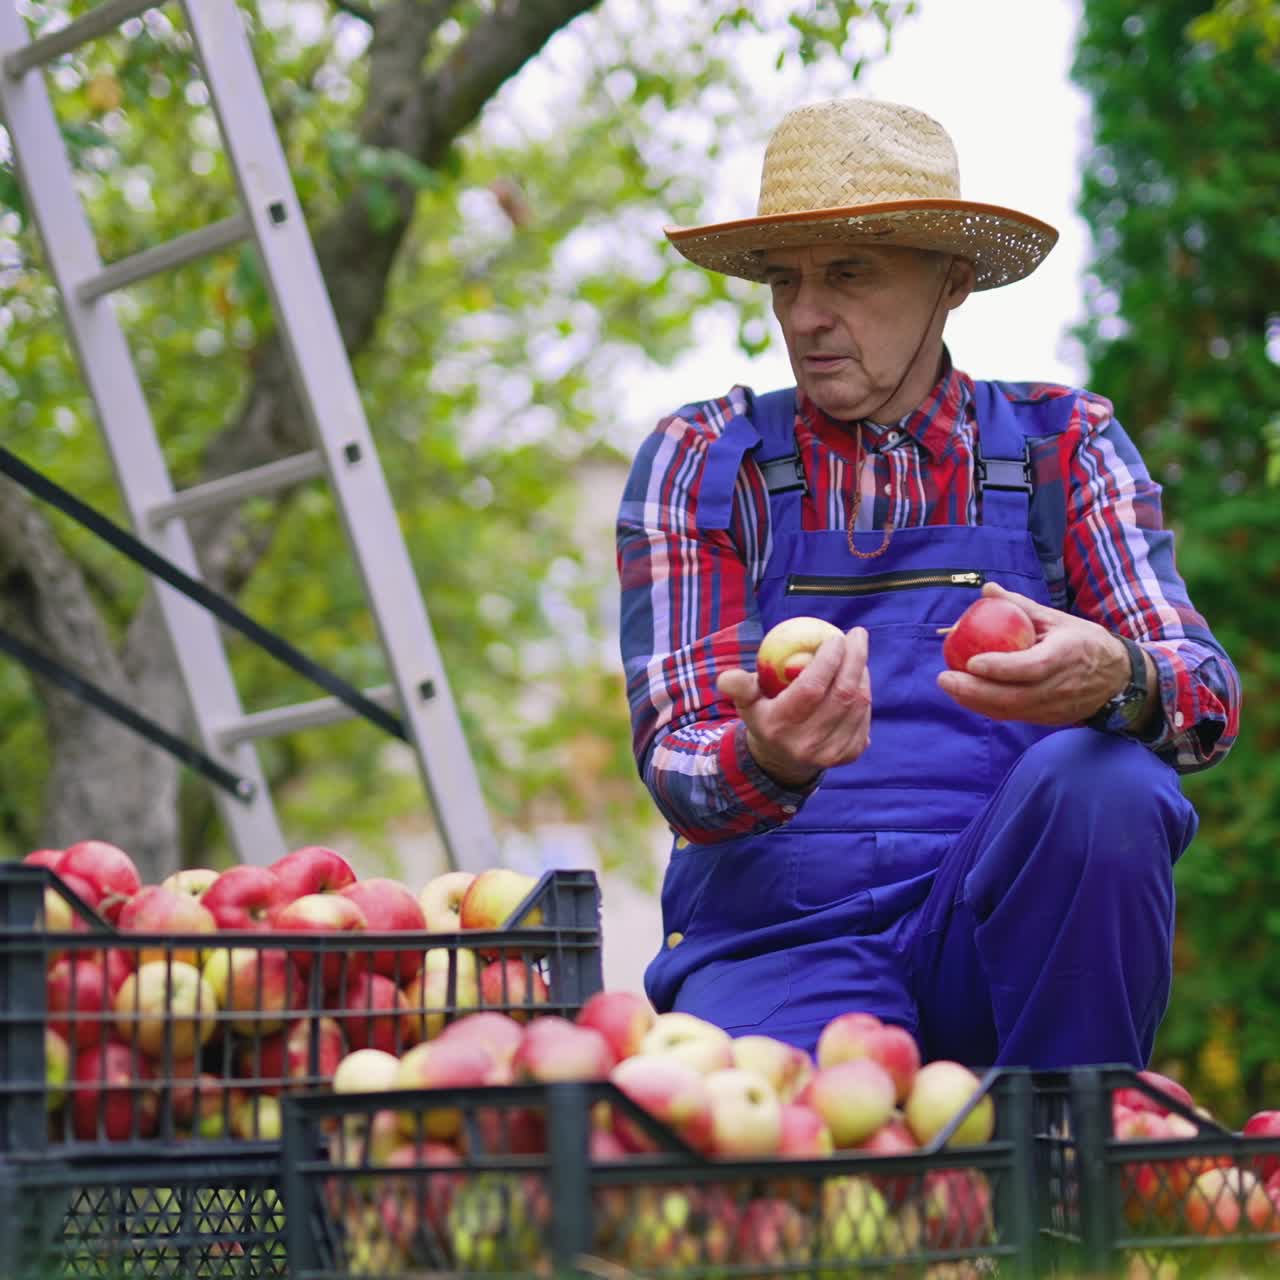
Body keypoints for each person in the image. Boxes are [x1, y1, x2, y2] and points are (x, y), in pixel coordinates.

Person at [615, 98, 1241, 1070]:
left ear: (950, 281)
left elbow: (1202, 698)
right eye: (785, 281)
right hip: (782, 938)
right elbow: (678, 761)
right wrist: (765, 754)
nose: (804, 315)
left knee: (1108, 778)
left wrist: (1119, 675)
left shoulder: (1061, 447)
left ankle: (1067, 1164)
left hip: (1004, 945)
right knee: (790, 1198)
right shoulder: (707, 458)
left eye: (847, 274)